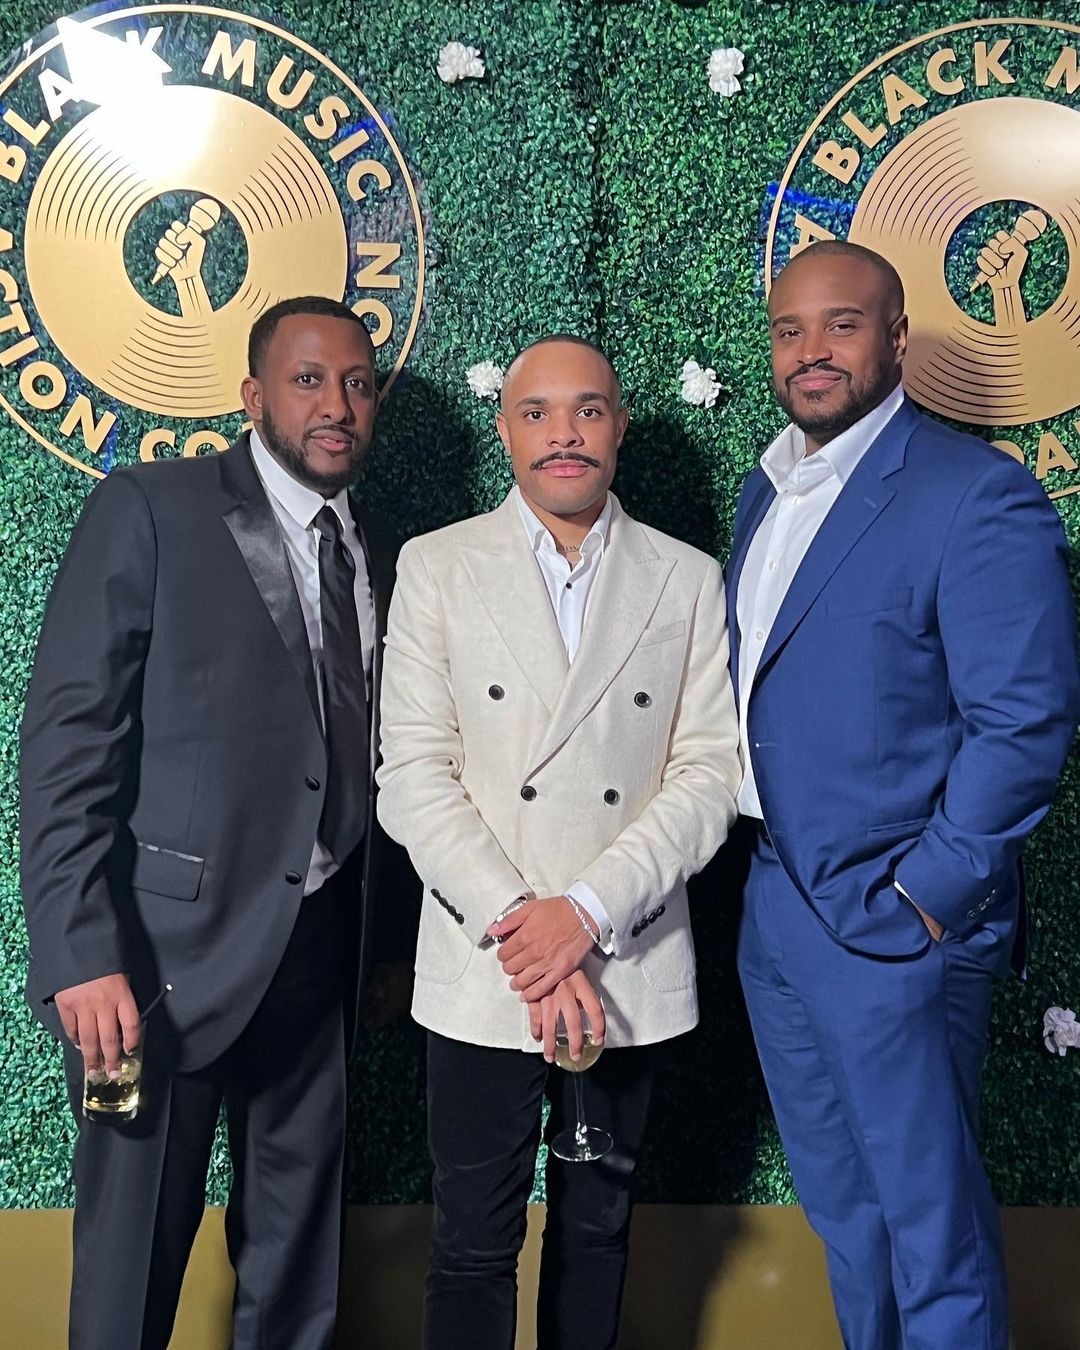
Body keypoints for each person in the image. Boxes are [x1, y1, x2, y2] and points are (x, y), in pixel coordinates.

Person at [20, 295, 412, 1350]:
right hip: (156, 966)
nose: (337, 406)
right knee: (130, 1265)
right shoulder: (151, 508)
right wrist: (80, 952)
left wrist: (385, 944)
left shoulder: (376, 547)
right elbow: (66, 748)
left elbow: (376, 757)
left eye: (357, 384)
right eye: (308, 380)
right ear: (252, 396)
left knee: (298, 1265)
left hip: (319, 955)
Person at [727, 240, 1079, 1350]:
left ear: (896, 338)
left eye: (841, 325)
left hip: (895, 915)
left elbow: (1023, 722)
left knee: (934, 1231)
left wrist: (928, 895)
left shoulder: (975, 494)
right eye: (790, 330)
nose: (811, 351)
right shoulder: (767, 489)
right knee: (848, 1218)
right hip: (775, 907)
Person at [376, 333, 741, 1350]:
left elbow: (708, 773)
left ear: (619, 427)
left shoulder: (686, 577)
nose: (563, 433)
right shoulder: (438, 565)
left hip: (625, 955)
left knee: (597, 1233)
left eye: (587, 410)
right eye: (537, 412)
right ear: (505, 429)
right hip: (485, 960)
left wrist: (584, 913)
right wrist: (523, 925)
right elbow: (412, 771)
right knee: (471, 1242)